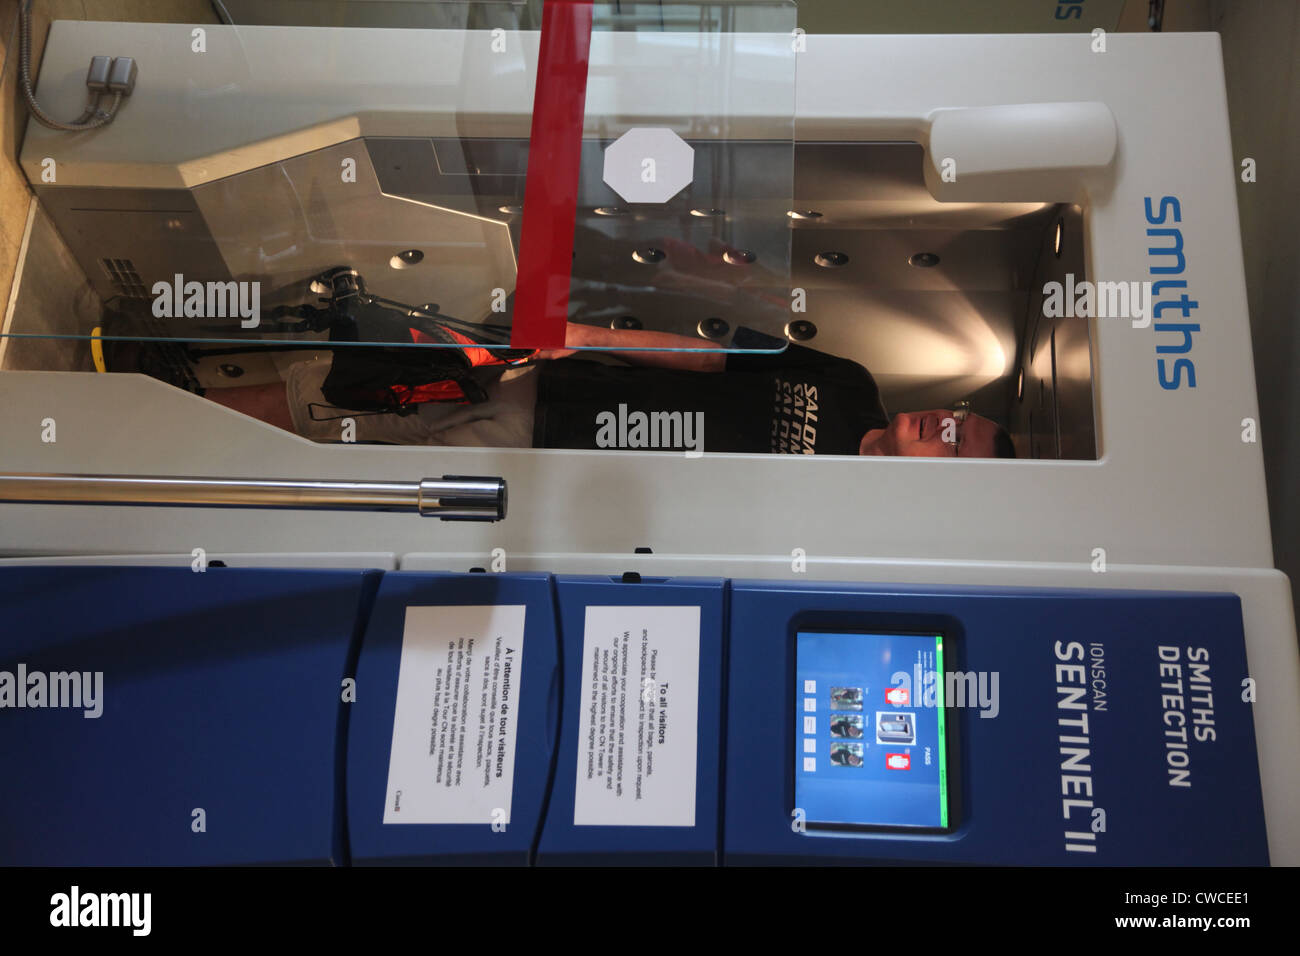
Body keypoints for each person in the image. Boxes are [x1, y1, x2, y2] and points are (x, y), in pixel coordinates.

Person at [195, 320, 1016, 457]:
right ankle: (162, 418)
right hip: (554, 393)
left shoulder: (846, 531)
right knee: (339, 402)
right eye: (958, 416)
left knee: (359, 477)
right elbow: (709, 358)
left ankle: (186, 479)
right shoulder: (849, 385)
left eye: (954, 443)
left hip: (558, 482)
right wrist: (584, 336)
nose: (940, 423)